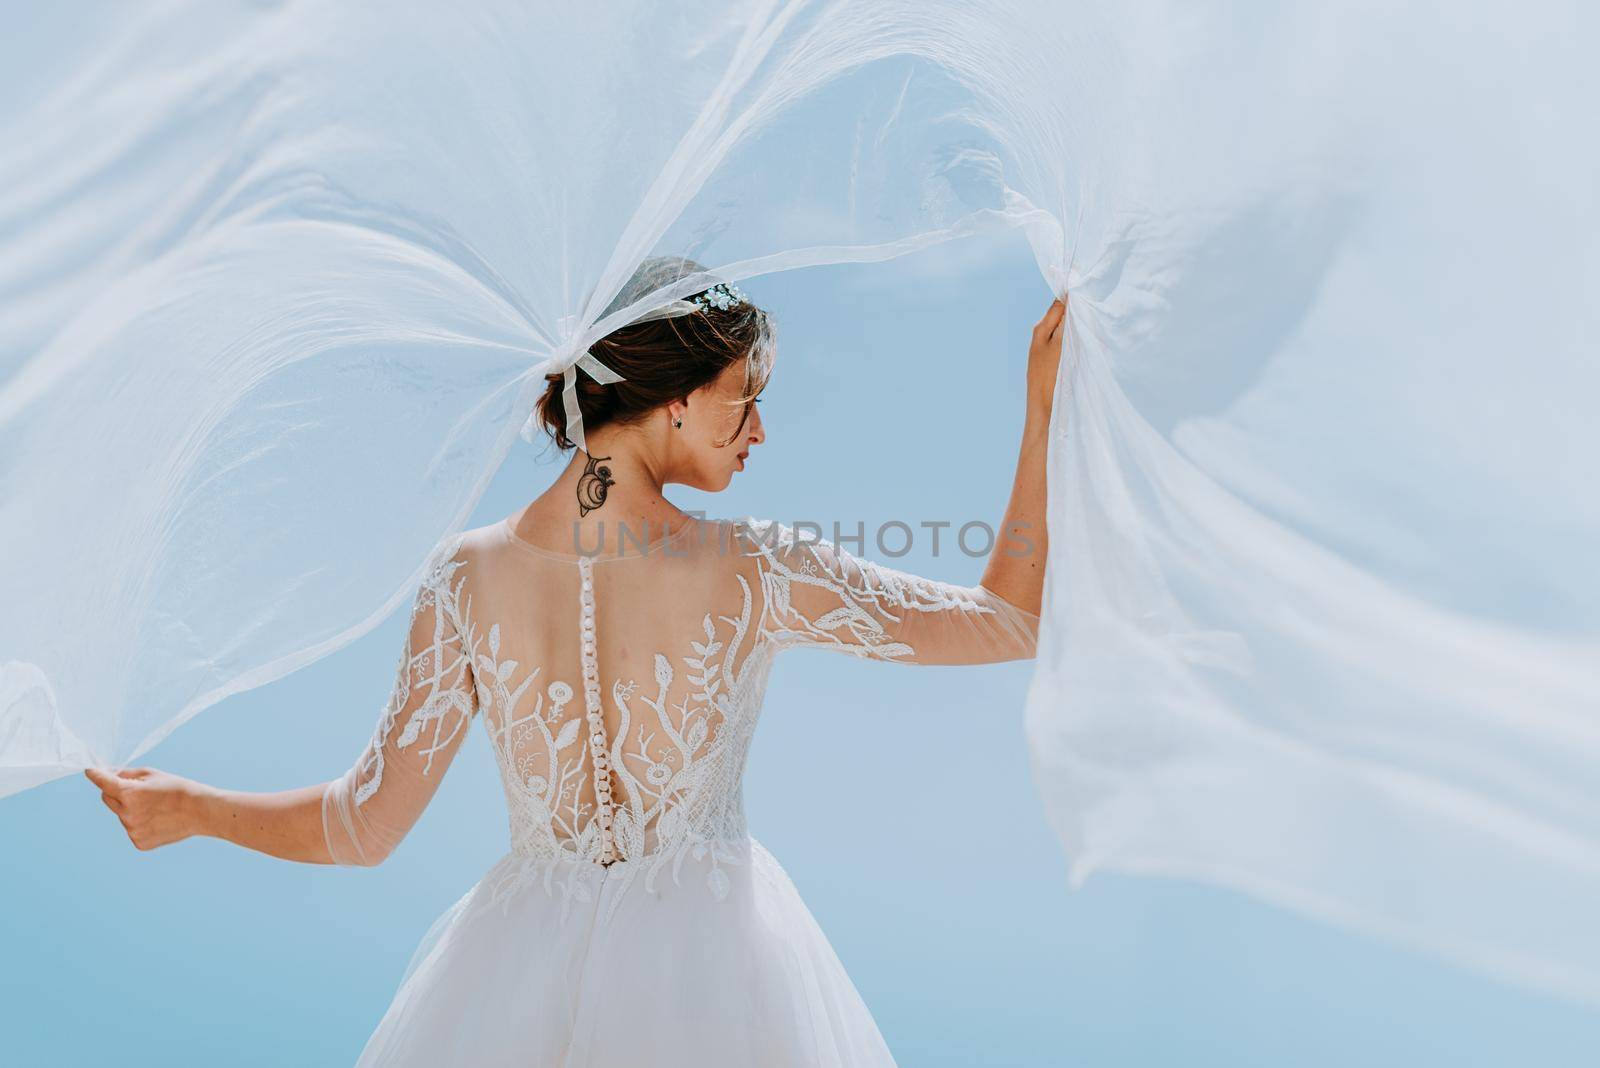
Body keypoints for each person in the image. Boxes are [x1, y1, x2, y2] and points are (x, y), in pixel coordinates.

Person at [84, 257, 1066, 1066]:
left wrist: (189, 810)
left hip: (506, 984)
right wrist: (1041, 413)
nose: (761, 429)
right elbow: (1003, 623)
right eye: (745, 400)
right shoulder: (751, 565)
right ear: (673, 400)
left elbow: (363, 825)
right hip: (719, 986)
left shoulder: (462, 577)